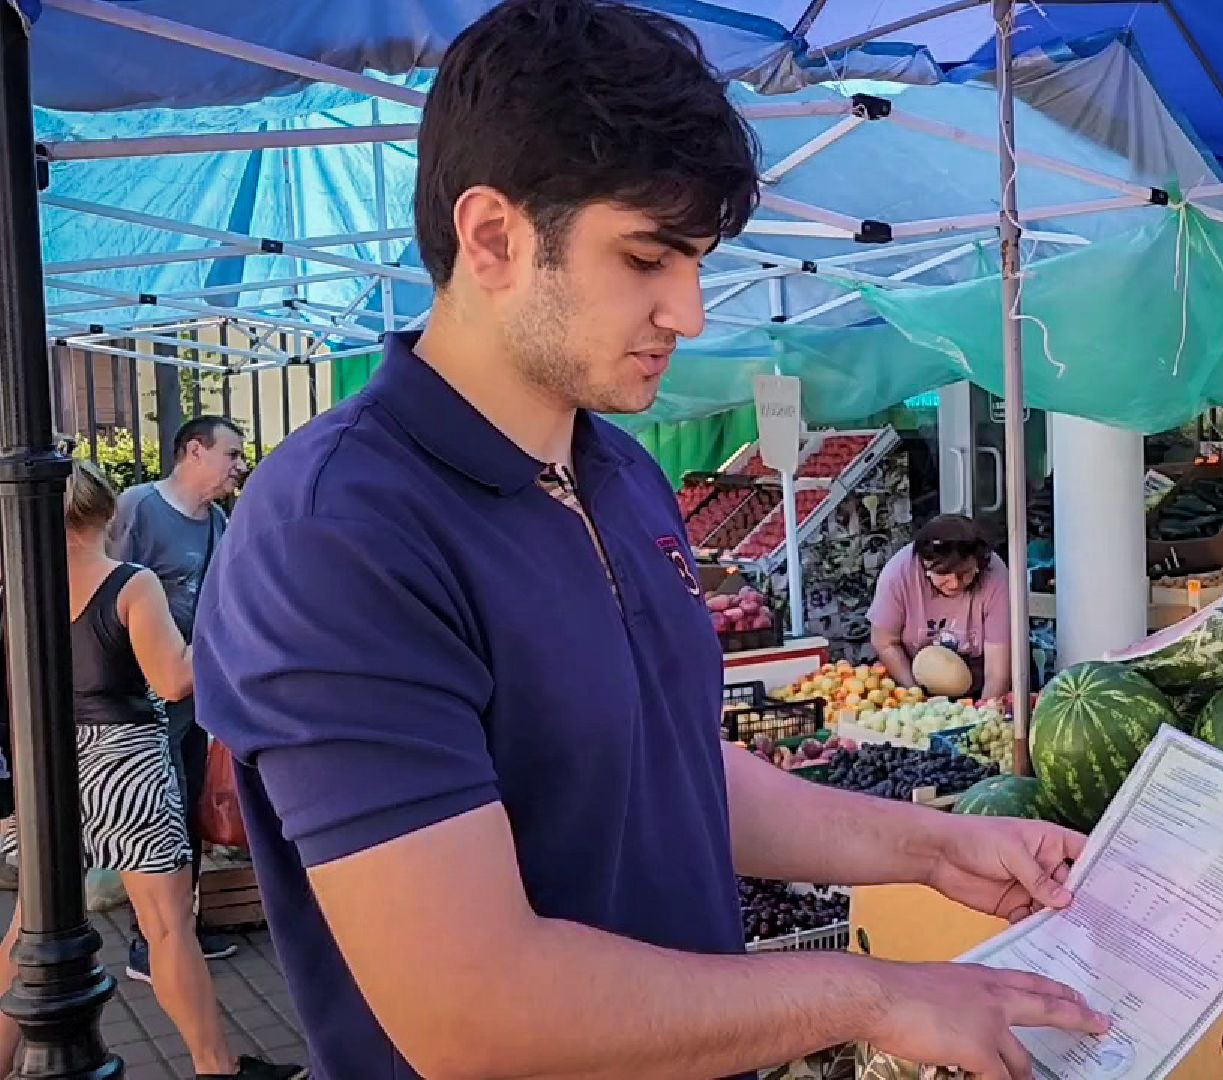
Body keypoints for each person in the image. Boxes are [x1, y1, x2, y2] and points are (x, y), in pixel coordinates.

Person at [191, 4, 1107, 1079]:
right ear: (492, 239)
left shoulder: (622, 476)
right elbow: (473, 1011)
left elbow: (673, 775)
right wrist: (877, 992)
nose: (691, 311)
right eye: (646, 257)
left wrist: (941, 848)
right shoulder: (337, 534)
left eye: (700, 261)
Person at [0, 460, 301, 1080]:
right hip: (127, 757)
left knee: (28, 932)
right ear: (100, 516)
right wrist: (225, 633)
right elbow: (173, 678)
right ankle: (216, 1067)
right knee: (167, 927)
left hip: (49, 764)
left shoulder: (19, 594)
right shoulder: (131, 584)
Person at [108, 414, 250, 979]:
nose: (239, 465)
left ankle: (182, 929)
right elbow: (105, 590)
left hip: (191, 694)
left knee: (187, 803)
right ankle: (151, 942)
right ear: (194, 450)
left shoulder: (216, 520)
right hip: (142, 698)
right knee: (153, 817)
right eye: (231, 453)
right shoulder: (138, 508)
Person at [869, 515, 1014, 701]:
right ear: (925, 565)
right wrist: (915, 696)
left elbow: (997, 671)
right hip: (912, 676)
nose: (954, 584)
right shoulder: (898, 575)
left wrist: (984, 712)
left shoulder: (995, 576)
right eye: (943, 574)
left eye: (964, 573)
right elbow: (885, 642)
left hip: (977, 681)